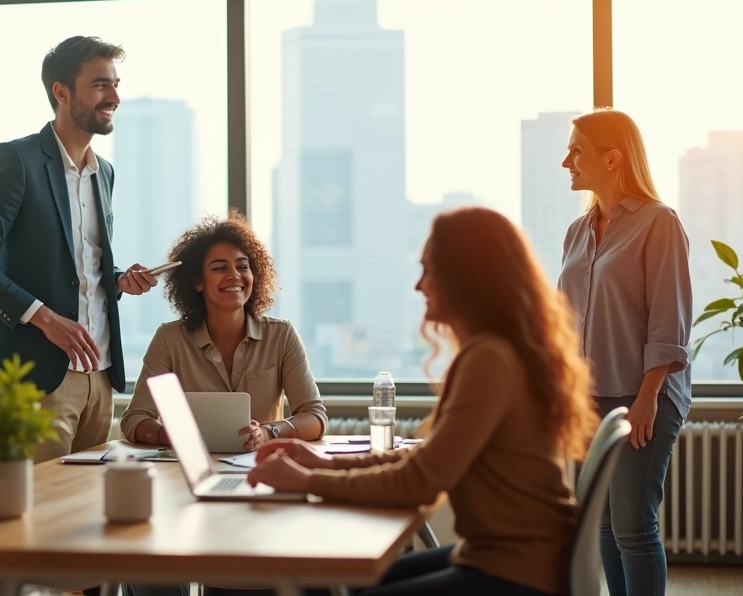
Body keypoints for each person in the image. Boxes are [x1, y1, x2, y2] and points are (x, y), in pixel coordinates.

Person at [248, 207, 600, 596]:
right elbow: (427, 458)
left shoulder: (489, 360)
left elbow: (420, 482)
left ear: (465, 278)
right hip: (508, 557)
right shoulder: (498, 352)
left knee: (322, 585)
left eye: (429, 270)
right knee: (328, 582)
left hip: (515, 573)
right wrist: (322, 462)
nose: (419, 286)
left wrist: (308, 480)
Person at [0, 36, 158, 464]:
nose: (115, 97)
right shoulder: (17, 160)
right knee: (33, 519)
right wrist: (44, 318)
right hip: (36, 377)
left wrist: (118, 280)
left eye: (116, 84)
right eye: (100, 85)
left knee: (86, 516)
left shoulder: (106, 173)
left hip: (99, 375)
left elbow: (76, 263)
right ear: (61, 92)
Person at [557, 108, 691, 596]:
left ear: (612, 158)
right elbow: (564, 322)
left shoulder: (660, 223)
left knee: (633, 528)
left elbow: (668, 320)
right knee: (602, 527)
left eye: (577, 150)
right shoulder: (576, 232)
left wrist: (648, 396)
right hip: (588, 401)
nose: (565, 160)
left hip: (642, 395)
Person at [122, 212, 326, 451]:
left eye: (243, 266)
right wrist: (170, 435)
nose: (235, 275)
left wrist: (268, 433)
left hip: (262, 468)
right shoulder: (170, 339)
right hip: (189, 471)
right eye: (219, 268)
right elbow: (134, 419)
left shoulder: (281, 335)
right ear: (198, 281)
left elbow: (315, 417)